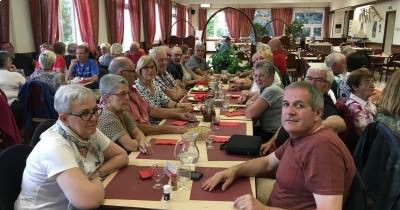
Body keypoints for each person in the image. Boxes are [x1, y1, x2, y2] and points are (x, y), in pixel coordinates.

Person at [202, 81, 356, 210]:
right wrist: (234, 171)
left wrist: (264, 209)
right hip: (276, 197)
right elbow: (268, 162)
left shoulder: (322, 148)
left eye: (299, 105)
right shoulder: (301, 135)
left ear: (317, 113)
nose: (290, 111)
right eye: (286, 104)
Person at [14, 84, 128, 210]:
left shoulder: (87, 130)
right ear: (64, 119)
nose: (94, 118)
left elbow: (121, 156)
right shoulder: (54, 146)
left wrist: (97, 174)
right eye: (85, 113)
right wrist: (95, 181)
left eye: (95, 110)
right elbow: (88, 200)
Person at [260, 65, 346, 155]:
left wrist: (304, 129)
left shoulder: (323, 102)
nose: (312, 83)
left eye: (319, 80)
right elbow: (286, 122)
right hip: (277, 150)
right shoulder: (303, 98)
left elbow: (339, 123)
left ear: (328, 85)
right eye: (309, 78)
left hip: (292, 155)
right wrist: (272, 141)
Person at [108, 57, 194, 135]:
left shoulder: (133, 90)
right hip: (146, 134)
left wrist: (179, 114)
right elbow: (136, 127)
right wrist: (171, 128)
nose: (135, 73)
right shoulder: (116, 97)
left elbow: (150, 110)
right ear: (122, 74)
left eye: (152, 67)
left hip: (152, 130)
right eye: (133, 70)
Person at [97, 74, 152, 153]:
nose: (127, 98)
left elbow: (137, 132)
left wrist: (142, 140)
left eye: (127, 93)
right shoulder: (106, 118)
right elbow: (131, 146)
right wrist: (141, 142)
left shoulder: (122, 112)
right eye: (122, 94)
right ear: (107, 98)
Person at [134, 55, 192, 124]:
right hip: (152, 125)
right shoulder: (137, 87)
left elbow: (166, 101)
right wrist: (179, 111)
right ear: (139, 70)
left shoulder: (154, 83)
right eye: (146, 67)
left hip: (163, 120)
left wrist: (179, 105)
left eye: (152, 67)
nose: (150, 70)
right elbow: (153, 111)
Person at [239, 61, 283, 141]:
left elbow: (249, 113)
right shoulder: (265, 88)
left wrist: (251, 105)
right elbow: (250, 101)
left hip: (272, 135)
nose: (257, 79)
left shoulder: (272, 90)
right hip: (266, 131)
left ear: (271, 77)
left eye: (261, 76)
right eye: (255, 76)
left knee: (238, 137)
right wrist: (251, 104)